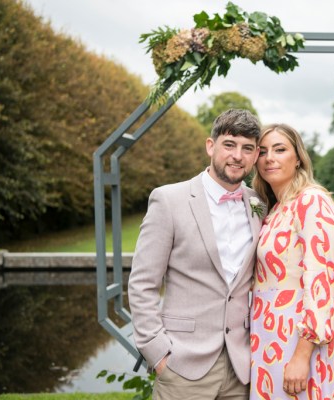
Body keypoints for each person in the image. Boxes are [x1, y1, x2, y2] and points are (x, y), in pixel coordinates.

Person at [128, 109, 264, 400]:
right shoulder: (169, 200)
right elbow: (142, 283)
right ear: (210, 146)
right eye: (229, 144)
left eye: (247, 148)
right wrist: (158, 354)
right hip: (182, 365)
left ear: (254, 157)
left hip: (241, 366)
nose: (237, 156)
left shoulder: (259, 204)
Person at [249, 123, 334, 399]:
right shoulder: (277, 207)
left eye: (280, 150)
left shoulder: (312, 201)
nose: (270, 158)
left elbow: (323, 281)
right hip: (268, 335)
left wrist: (302, 356)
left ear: (298, 158)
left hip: (296, 339)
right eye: (263, 151)